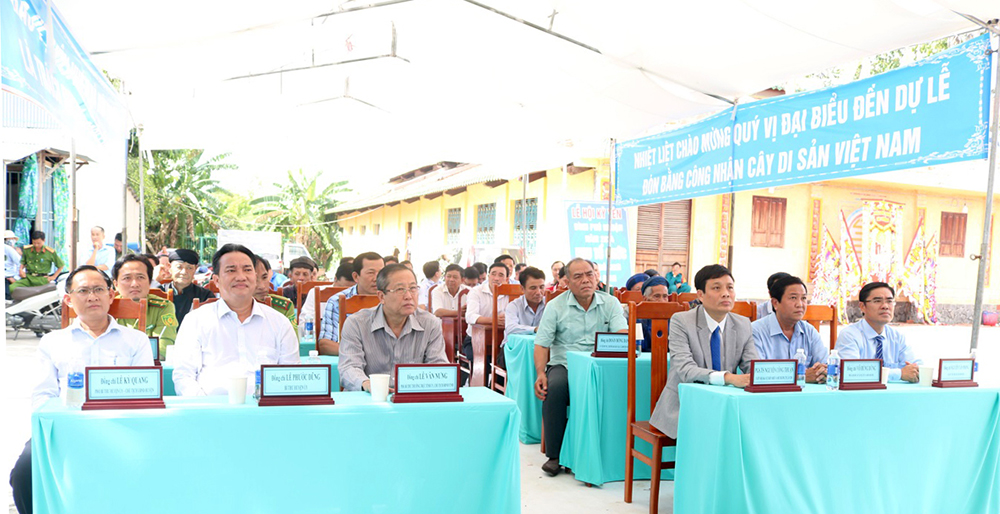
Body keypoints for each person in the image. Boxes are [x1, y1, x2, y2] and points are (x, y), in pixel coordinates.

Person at [10, 265, 153, 514]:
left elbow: (145, 393)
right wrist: (57, 423)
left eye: (99, 289)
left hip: (120, 427)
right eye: (83, 291)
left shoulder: (136, 340)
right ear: (68, 299)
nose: (92, 297)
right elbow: (43, 395)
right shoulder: (53, 342)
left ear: (111, 295)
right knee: (23, 473)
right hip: (64, 427)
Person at [533, 258, 627, 475]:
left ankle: (613, 450)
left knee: (623, 386)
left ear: (597, 277)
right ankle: (555, 456)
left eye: (589, 274)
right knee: (554, 388)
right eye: (578, 276)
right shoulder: (555, 306)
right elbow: (542, 344)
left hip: (600, 365)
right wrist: (540, 373)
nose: (586, 280)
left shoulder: (610, 303)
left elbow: (623, 336)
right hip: (565, 364)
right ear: (565, 281)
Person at [171, 244, 300, 396]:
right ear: (216, 280)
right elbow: (183, 376)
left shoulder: (279, 323)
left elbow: (291, 377)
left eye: (247, 270)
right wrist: (206, 407)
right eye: (231, 270)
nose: (241, 277)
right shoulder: (195, 321)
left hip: (265, 412)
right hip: (212, 412)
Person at [649, 264, 759, 439]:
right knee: (716, 432)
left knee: (752, 431)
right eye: (717, 288)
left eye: (730, 287)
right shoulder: (681, 321)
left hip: (726, 406)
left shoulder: (743, 324)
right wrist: (729, 378)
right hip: (685, 406)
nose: (726, 293)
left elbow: (753, 368)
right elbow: (685, 369)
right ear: (700, 295)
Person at [338, 264, 449, 391]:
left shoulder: (430, 323)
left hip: (411, 399)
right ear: (381, 297)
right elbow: (349, 367)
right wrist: (367, 384)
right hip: (370, 398)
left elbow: (439, 367)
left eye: (413, 288)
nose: (409, 296)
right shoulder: (356, 323)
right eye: (400, 290)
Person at [835, 281, 921, 382]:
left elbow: (916, 366)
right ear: (862, 306)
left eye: (889, 301)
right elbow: (852, 372)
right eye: (877, 301)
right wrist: (899, 374)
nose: (885, 306)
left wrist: (918, 370)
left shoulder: (897, 337)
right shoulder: (849, 335)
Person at [751, 275, 828, 383]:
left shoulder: (809, 331)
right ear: (775, 303)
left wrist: (822, 371)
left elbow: (825, 364)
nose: (800, 304)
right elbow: (757, 373)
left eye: (804, 298)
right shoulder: (756, 331)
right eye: (793, 298)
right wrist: (801, 376)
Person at [111, 254, 180, 359]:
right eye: (127, 278)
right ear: (115, 284)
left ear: (149, 282)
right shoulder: (107, 307)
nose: (135, 284)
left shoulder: (163, 307)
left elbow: (164, 347)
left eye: (140, 277)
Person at [318, 252, 384, 355]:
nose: (376, 278)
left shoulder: (393, 300)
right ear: (356, 277)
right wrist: (363, 354)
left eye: (380, 273)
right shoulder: (336, 301)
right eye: (371, 273)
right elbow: (325, 345)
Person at [463, 262, 510, 380]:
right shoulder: (476, 291)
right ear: (488, 276)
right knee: (483, 366)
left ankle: (497, 390)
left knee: (505, 364)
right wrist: (493, 320)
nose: (496, 278)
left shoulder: (511, 293)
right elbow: (470, 316)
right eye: (493, 274)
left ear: (507, 278)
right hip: (475, 340)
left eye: (501, 275)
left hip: (501, 341)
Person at [160, 249, 213, 325]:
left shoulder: (205, 296)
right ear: (169, 267)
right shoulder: (159, 292)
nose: (184, 272)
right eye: (179, 267)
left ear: (195, 269)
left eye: (189, 268)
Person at [253, 255, 296, 326]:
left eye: (264, 277)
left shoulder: (284, 307)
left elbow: (293, 336)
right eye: (254, 280)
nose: (262, 286)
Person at [505, 266, 546, 335]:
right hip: (517, 344)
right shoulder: (514, 306)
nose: (538, 292)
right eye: (533, 288)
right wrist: (535, 329)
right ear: (522, 288)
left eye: (542, 287)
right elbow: (510, 328)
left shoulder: (549, 304)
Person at [638, 275, 671, 351]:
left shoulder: (674, 319)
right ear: (645, 299)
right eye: (657, 296)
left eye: (665, 296)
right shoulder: (637, 319)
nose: (662, 301)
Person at [5, 230, 22, 299]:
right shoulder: (7, 249)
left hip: (9, 278)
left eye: (12, 239)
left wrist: (16, 278)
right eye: (8, 239)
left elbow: (20, 264)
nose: (10, 241)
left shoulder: (15, 251)